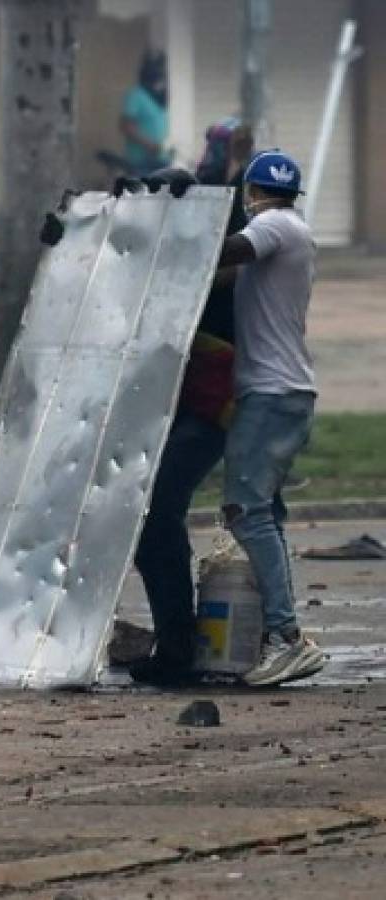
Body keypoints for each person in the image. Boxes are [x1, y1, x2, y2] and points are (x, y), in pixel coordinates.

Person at [129, 122, 255, 687]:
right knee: (148, 523)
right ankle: (175, 639)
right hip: (170, 405)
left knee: (159, 515)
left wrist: (207, 176)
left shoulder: (222, 251)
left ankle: (181, 648)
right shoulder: (169, 259)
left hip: (212, 410)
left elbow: (217, 207)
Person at [207, 149, 325, 687]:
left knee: (245, 511)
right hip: (284, 393)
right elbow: (226, 278)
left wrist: (189, 223)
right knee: (265, 517)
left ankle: (287, 638)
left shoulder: (276, 227)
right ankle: (273, 631)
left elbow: (229, 248)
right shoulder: (290, 235)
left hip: (272, 395)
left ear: (252, 194)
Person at [119, 51, 170, 177]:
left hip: (160, 159)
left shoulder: (157, 98)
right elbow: (126, 126)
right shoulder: (136, 95)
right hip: (141, 161)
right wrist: (149, 144)